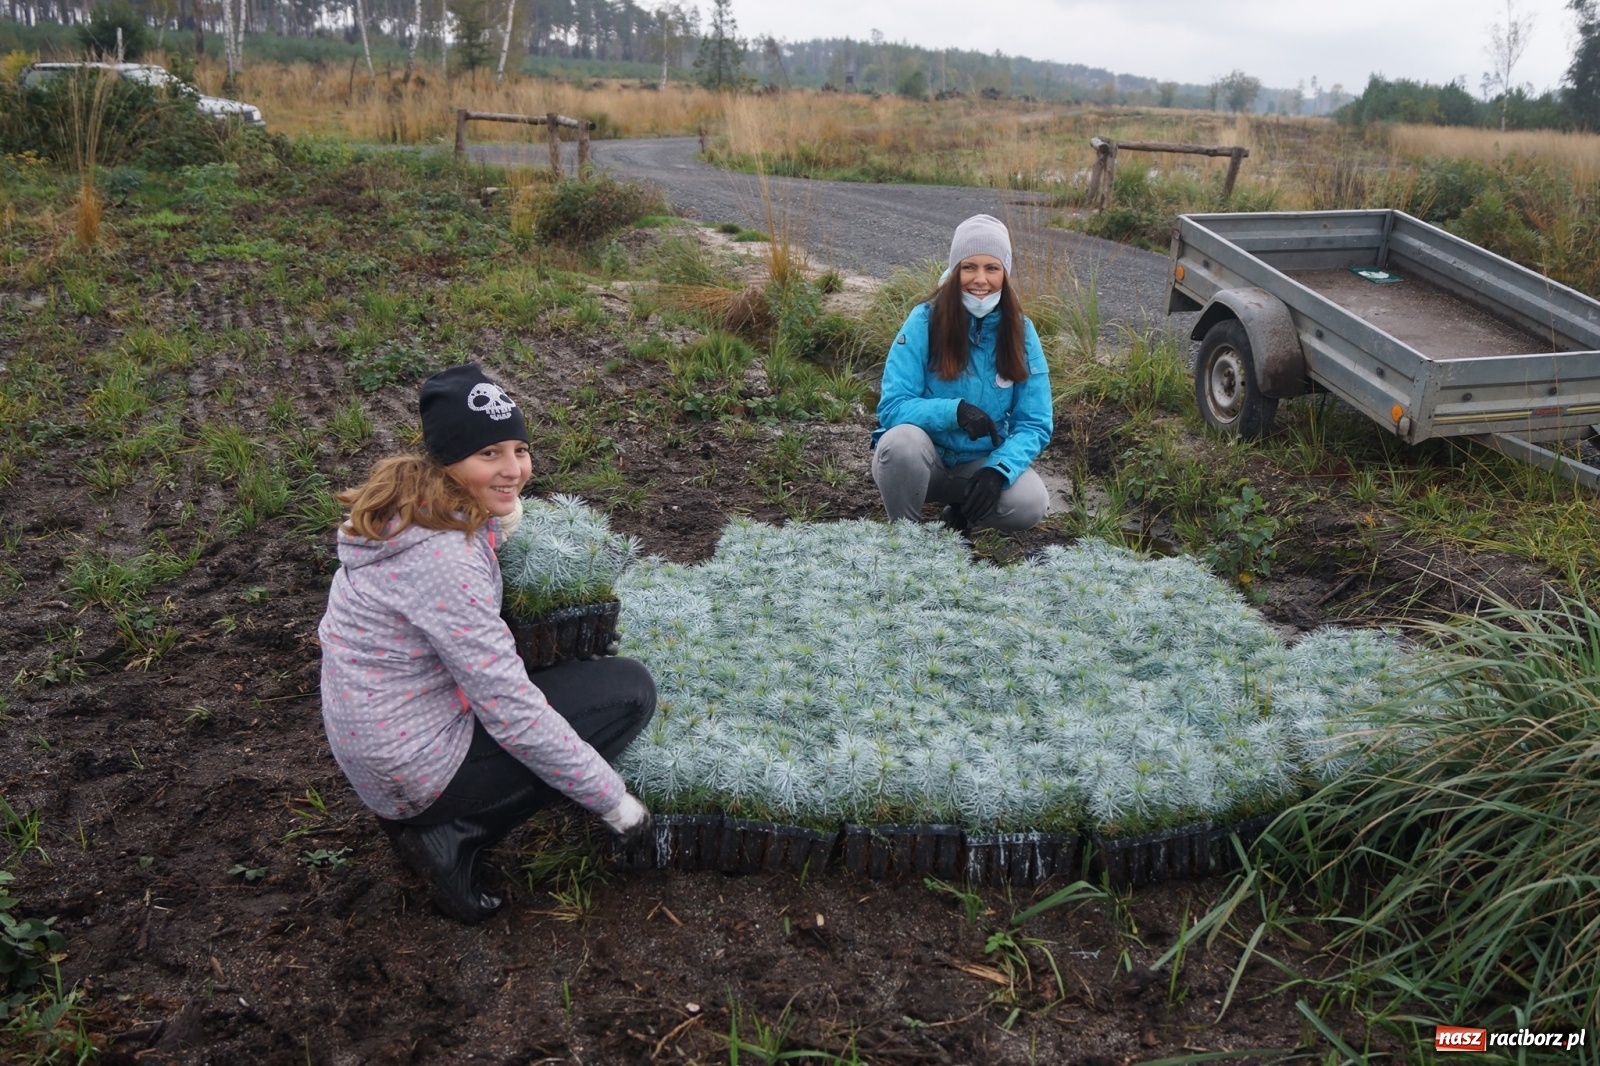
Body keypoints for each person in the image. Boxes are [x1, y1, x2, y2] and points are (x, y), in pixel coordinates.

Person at [318, 363, 656, 924]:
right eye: (490, 454)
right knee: (627, 693)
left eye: (519, 450)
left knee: (585, 689)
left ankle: (422, 817)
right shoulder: (446, 563)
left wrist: (501, 516)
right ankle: (453, 832)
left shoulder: (407, 512)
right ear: (449, 461)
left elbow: (464, 534)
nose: (514, 469)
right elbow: (512, 712)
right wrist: (614, 802)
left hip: (379, 745)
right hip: (415, 768)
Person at [872, 214, 1054, 533]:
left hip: (978, 465)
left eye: (992, 268)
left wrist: (998, 470)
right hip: (923, 465)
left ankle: (960, 518)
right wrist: (954, 412)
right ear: (956, 270)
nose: (980, 279)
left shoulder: (1022, 332)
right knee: (900, 444)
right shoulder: (923, 321)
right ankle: (904, 539)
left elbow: (1034, 423)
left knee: (1031, 502)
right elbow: (892, 407)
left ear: (1004, 273)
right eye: (969, 267)